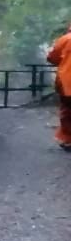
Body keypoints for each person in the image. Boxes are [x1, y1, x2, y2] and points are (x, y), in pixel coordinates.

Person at [48, 22, 71, 150]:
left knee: (67, 110)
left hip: (67, 82)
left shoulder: (65, 39)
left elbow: (52, 58)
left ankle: (68, 140)